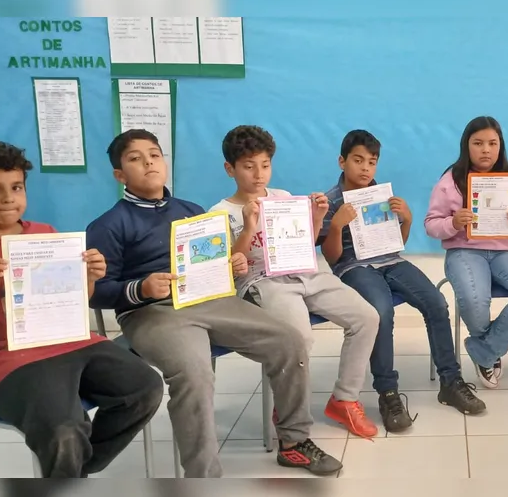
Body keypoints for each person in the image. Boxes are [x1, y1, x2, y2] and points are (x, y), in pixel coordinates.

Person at [86, 129, 340, 477]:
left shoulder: (190, 210)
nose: (148, 162)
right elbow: (98, 292)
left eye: (154, 154)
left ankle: (294, 443)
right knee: (195, 372)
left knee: (290, 341)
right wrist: (141, 288)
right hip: (152, 314)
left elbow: (213, 264)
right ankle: (203, 477)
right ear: (119, 175)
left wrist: (231, 264)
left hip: (207, 299)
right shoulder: (108, 225)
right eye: (135, 158)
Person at [0, 139, 163, 478]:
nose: (8, 198)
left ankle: (74, 472)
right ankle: (67, 468)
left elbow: (74, 299)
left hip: (70, 340)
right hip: (0, 357)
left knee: (144, 388)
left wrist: (89, 277)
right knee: (64, 430)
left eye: (16, 187)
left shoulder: (44, 234)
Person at [210, 125, 381, 441]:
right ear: (229, 169)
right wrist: (248, 227)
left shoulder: (283, 198)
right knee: (299, 338)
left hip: (304, 271)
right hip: (263, 282)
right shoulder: (221, 213)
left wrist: (317, 217)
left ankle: (344, 398)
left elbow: (305, 243)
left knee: (367, 317)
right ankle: (290, 409)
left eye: (265, 165)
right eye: (248, 167)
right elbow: (228, 270)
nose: (259, 175)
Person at [319, 129, 486, 432]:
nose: (365, 168)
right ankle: (388, 393)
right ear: (342, 162)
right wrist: (336, 227)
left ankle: (451, 381)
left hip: (391, 261)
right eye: (358, 160)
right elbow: (331, 258)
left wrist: (406, 219)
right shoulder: (330, 202)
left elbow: (397, 244)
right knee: (382, 312)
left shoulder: (380, 195)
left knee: (436, 302)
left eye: (372, 162)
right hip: (353, 267)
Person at [424, 116, 508, 388]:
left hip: (504, 253)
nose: (486, 150)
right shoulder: (450, 181)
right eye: (478, 143)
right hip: (464, 252)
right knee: (473, 301)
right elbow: (431, 225)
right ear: (466, 146)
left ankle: (485, 351)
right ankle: (490, 350)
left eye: (493, 143)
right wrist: (453, 223)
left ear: (500, 146)